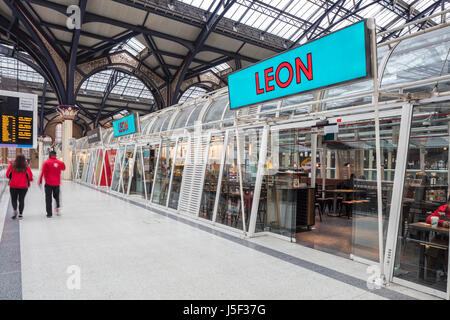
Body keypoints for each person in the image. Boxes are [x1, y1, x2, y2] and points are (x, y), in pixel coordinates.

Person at [39, 150, 65, 218]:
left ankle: (49, 213)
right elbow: (64, 168)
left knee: (48, 198)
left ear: (49, 155)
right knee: (57, 196)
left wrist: (40, 181)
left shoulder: (46, 162)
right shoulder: (60, 162)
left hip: (48, 184)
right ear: (55, 155)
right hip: (57, 183)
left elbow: (42, 172)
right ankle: (57, 207)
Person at [6, 154, 33, 219]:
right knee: (21, 200)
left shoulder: (12, 166)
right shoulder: (26, 167)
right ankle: (20, 214)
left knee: (14, 199)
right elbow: (30, 177)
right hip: (23, 187)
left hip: (13, 186)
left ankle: (15, 210)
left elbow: (7, 175)